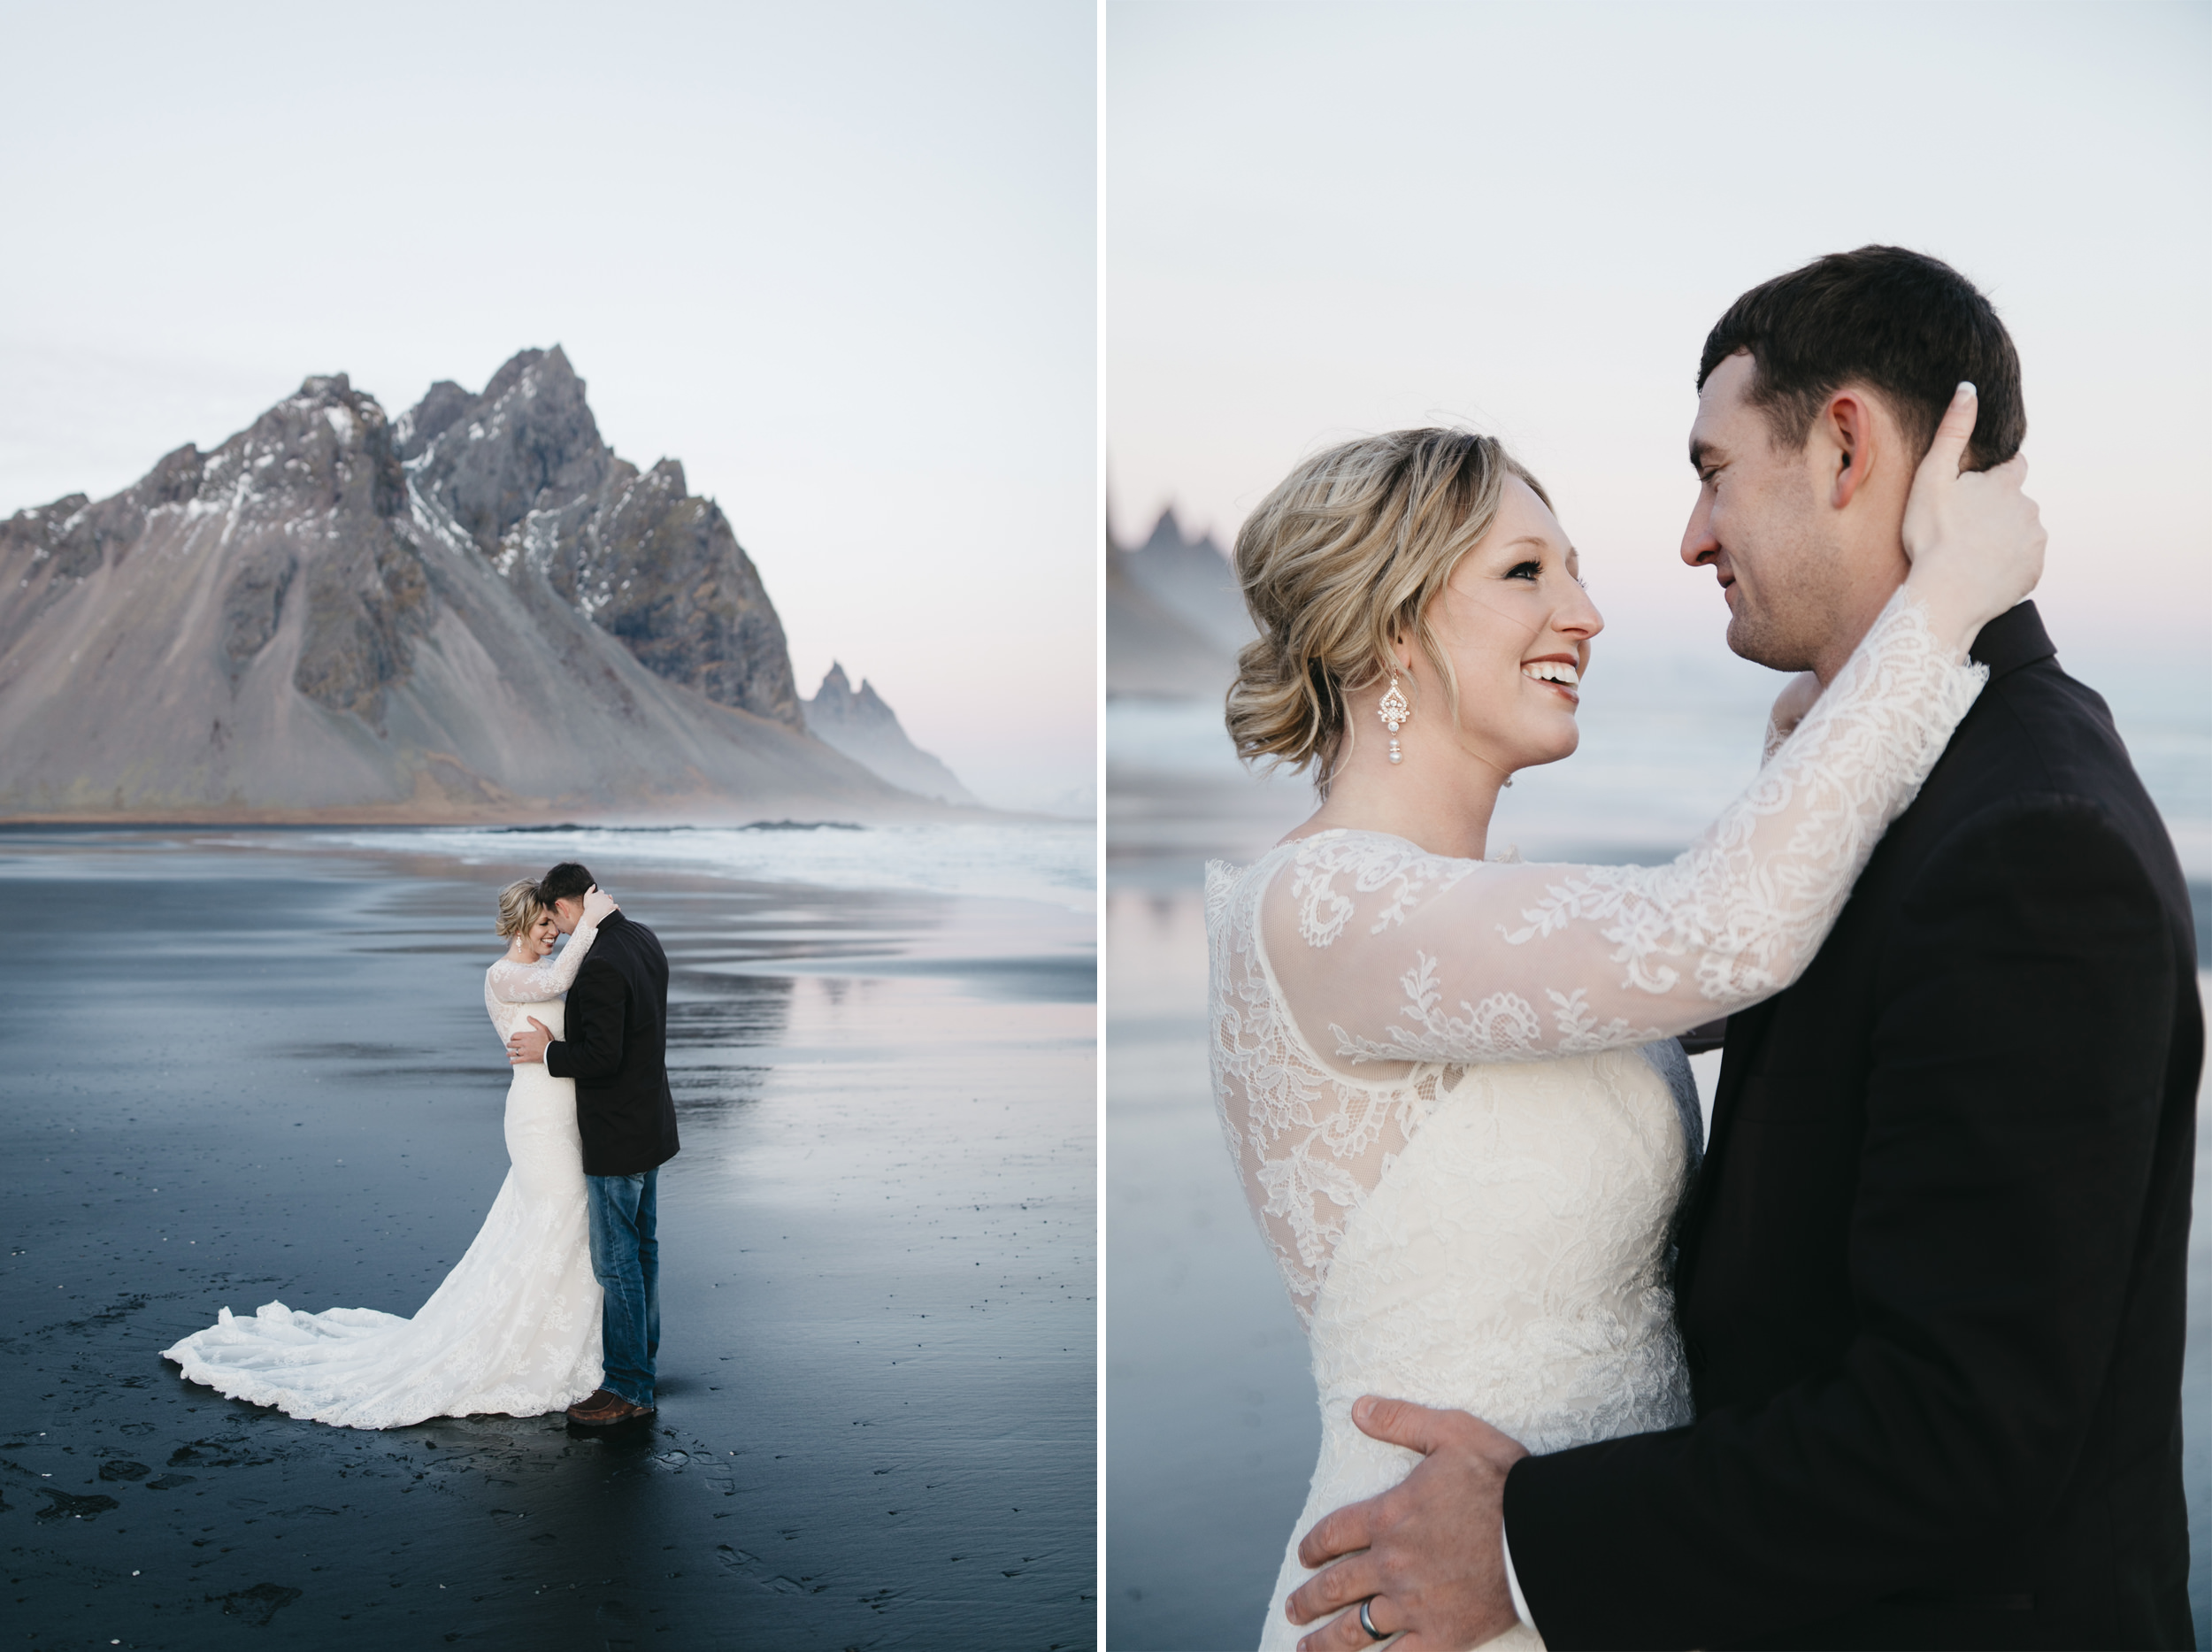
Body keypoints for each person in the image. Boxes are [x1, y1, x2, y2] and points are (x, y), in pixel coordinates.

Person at [1279, 250, 2200, 1650]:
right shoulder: (1907, 797)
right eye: (1527, 571)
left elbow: (1960, 1428)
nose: (1691, 538)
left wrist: (1526, 1548)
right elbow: (1709, 937)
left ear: (1844, 446)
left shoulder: (2027, 837)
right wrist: (1841, 726)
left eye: (1713, 467)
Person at [162, 879, 618, 1427]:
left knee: (566, 1224)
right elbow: (554, 977)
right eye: (544, 924)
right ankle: (520, 1347)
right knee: (555, 1216)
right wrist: (592, 922)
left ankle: (561, 1343)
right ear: (520, 925)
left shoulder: (537, 972)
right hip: (536, 1118)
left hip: (564, 1111)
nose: (553, 933)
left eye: (556, 923)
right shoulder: (503, 974)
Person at [504, 860, 680, 1426]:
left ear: (563, 907)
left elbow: (602, 1057)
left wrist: (549, 1052)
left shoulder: (601, 962)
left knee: (616, 1261)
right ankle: (642, 1365)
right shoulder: (641, 937)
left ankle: (629, 1387)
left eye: (556, 919)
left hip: (615, 1133)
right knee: (643, 1249)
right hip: (650, 1122)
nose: (556, 932)